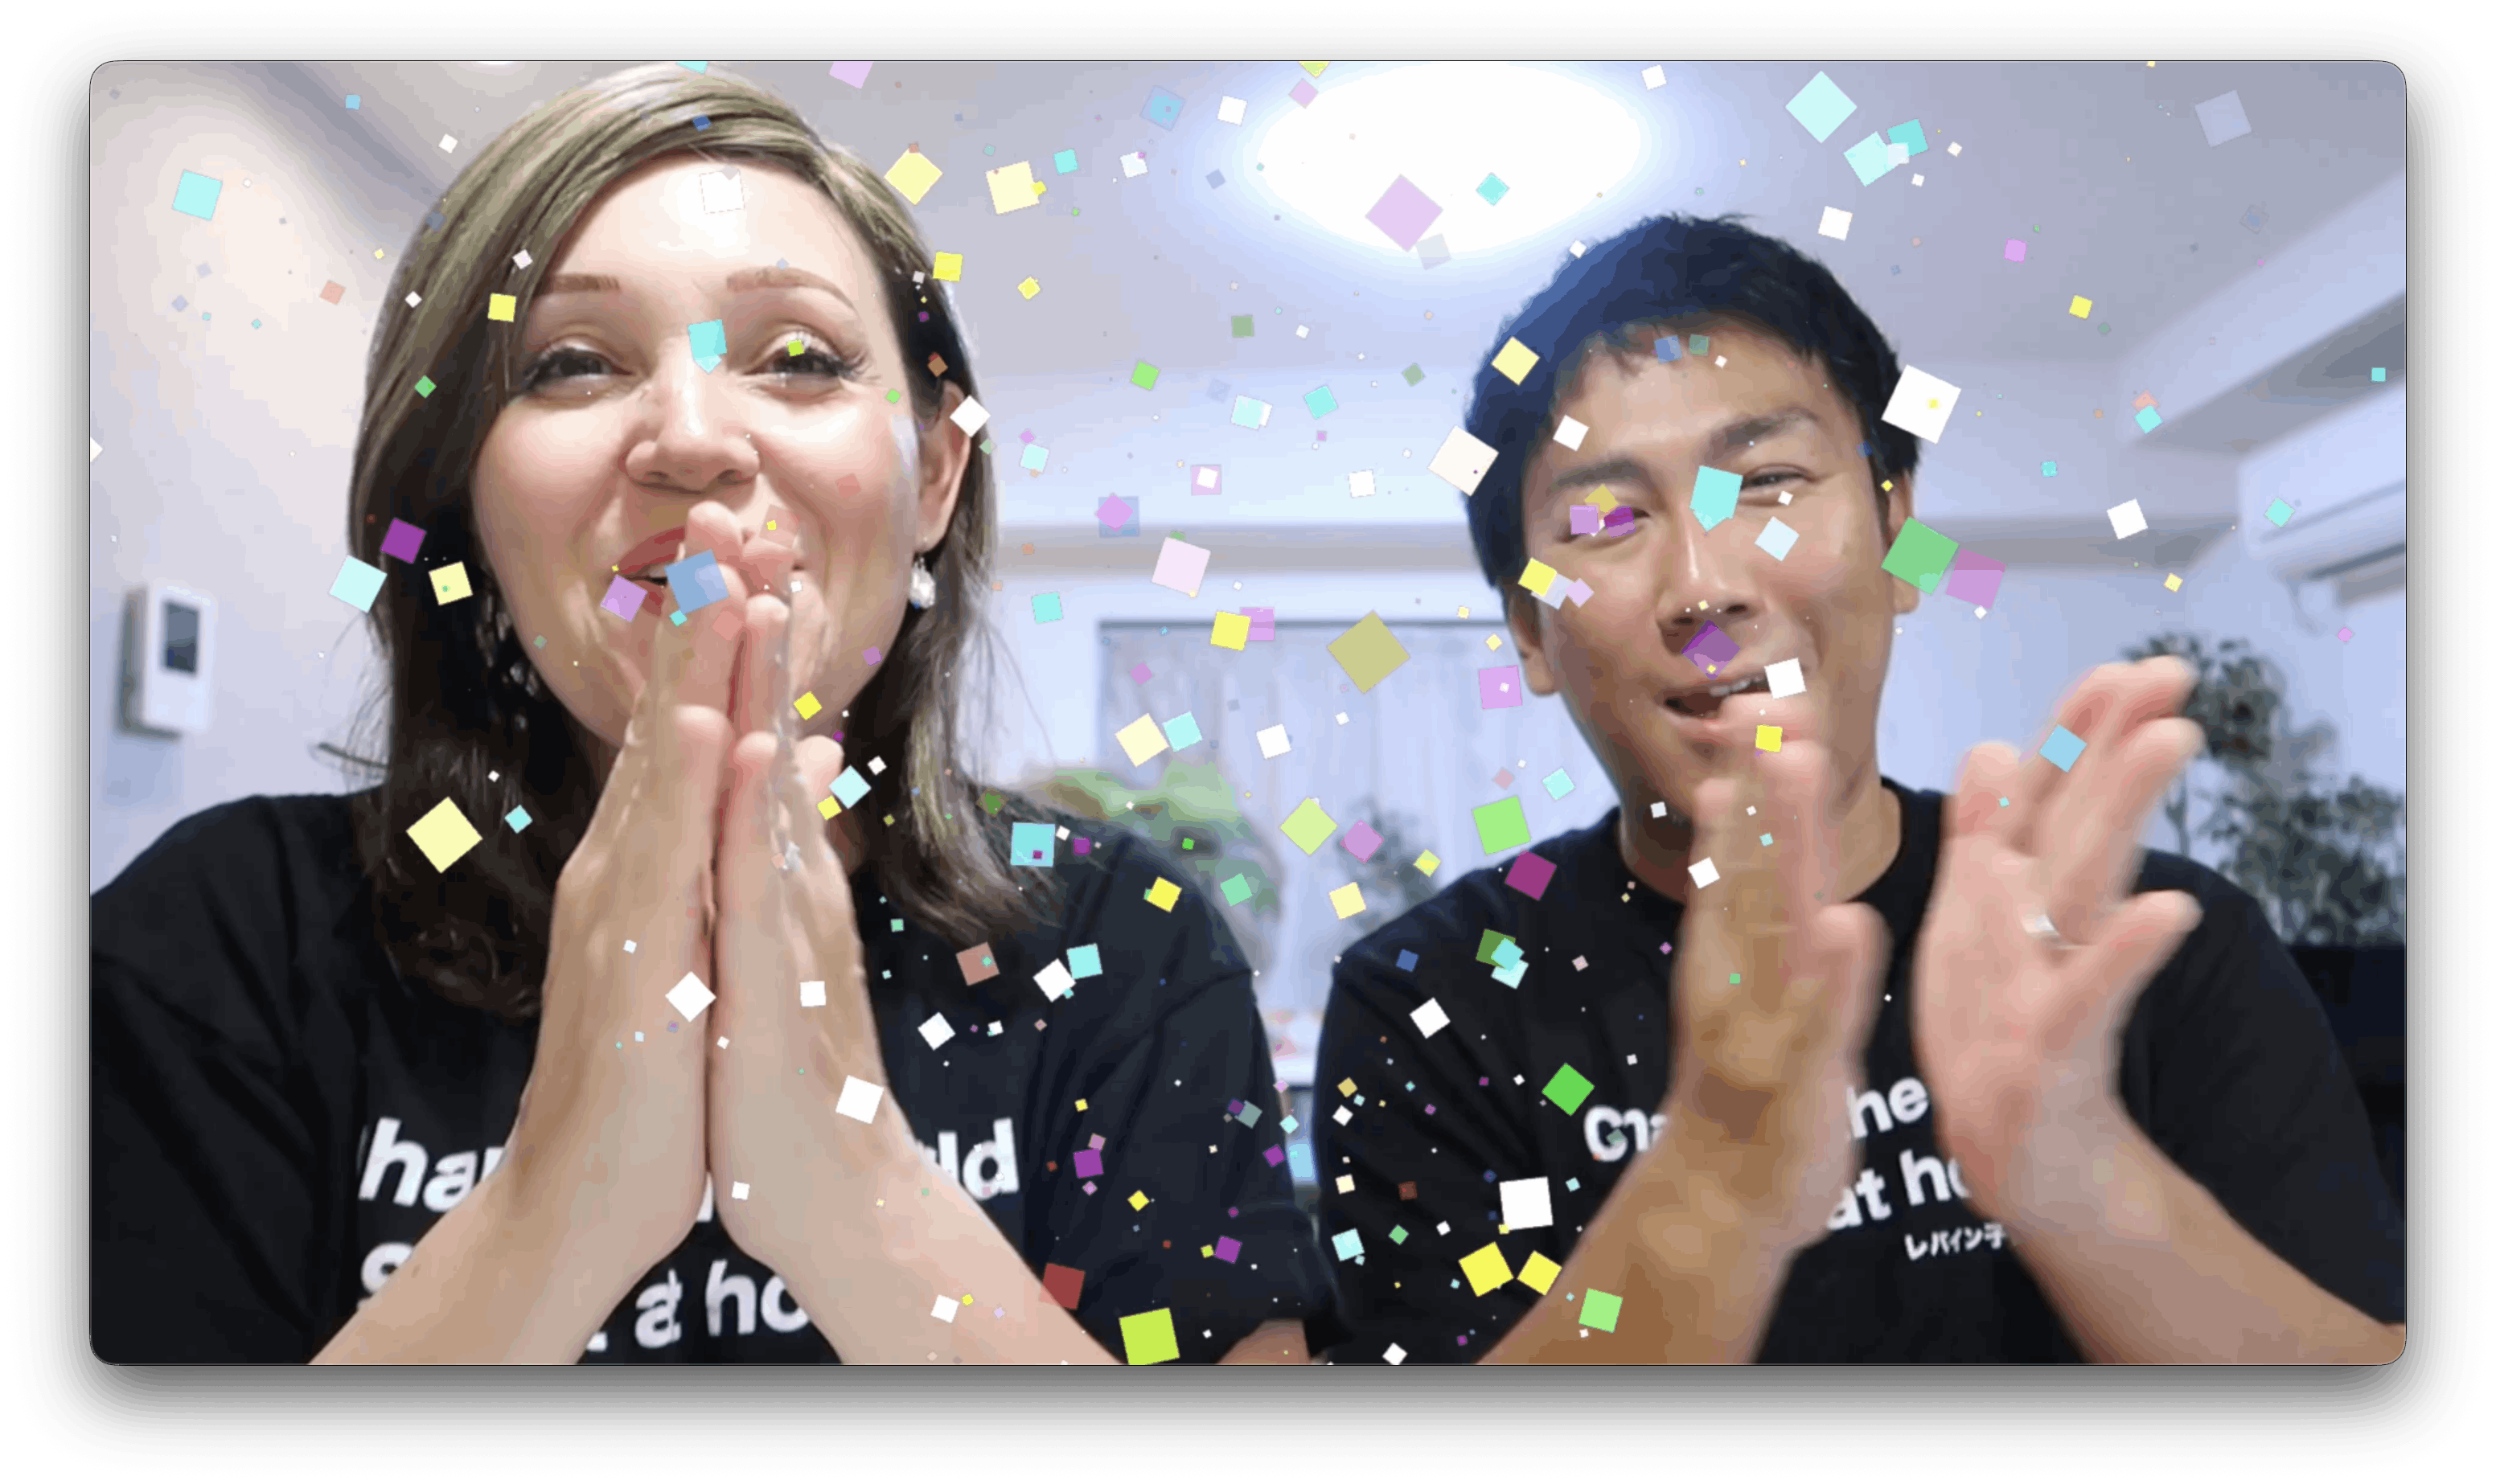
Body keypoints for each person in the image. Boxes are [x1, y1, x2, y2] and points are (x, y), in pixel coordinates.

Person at [90, 64, 1322, 1365]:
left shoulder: (1126, 943)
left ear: (934, 477)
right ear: (464, 508)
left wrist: (859, 1198)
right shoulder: (226, 941)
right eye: (570, 363)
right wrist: (553, 1207)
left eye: (800, 358)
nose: (689, 437)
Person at [1305, 213, 2406, 1364]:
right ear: (1531, 631)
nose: (1704, 587)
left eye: (1767, 481)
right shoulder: (1431, 1000)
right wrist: (1716, 1178)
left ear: (1897, 531)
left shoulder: (2150, 941)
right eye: (1605, 520)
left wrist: (2079, 1174)